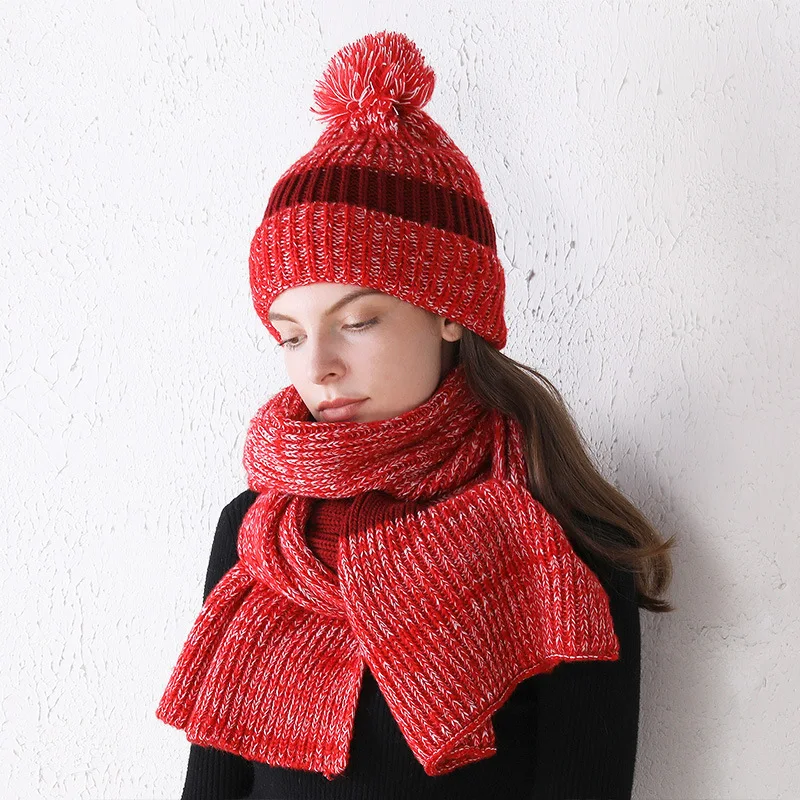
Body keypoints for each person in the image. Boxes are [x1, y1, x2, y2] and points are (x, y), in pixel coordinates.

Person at [156, 30, 676, 800]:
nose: (318, 365)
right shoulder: (256, 533)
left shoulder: (564, 544)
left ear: (449, 310)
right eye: (290, 335)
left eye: (357, 320)